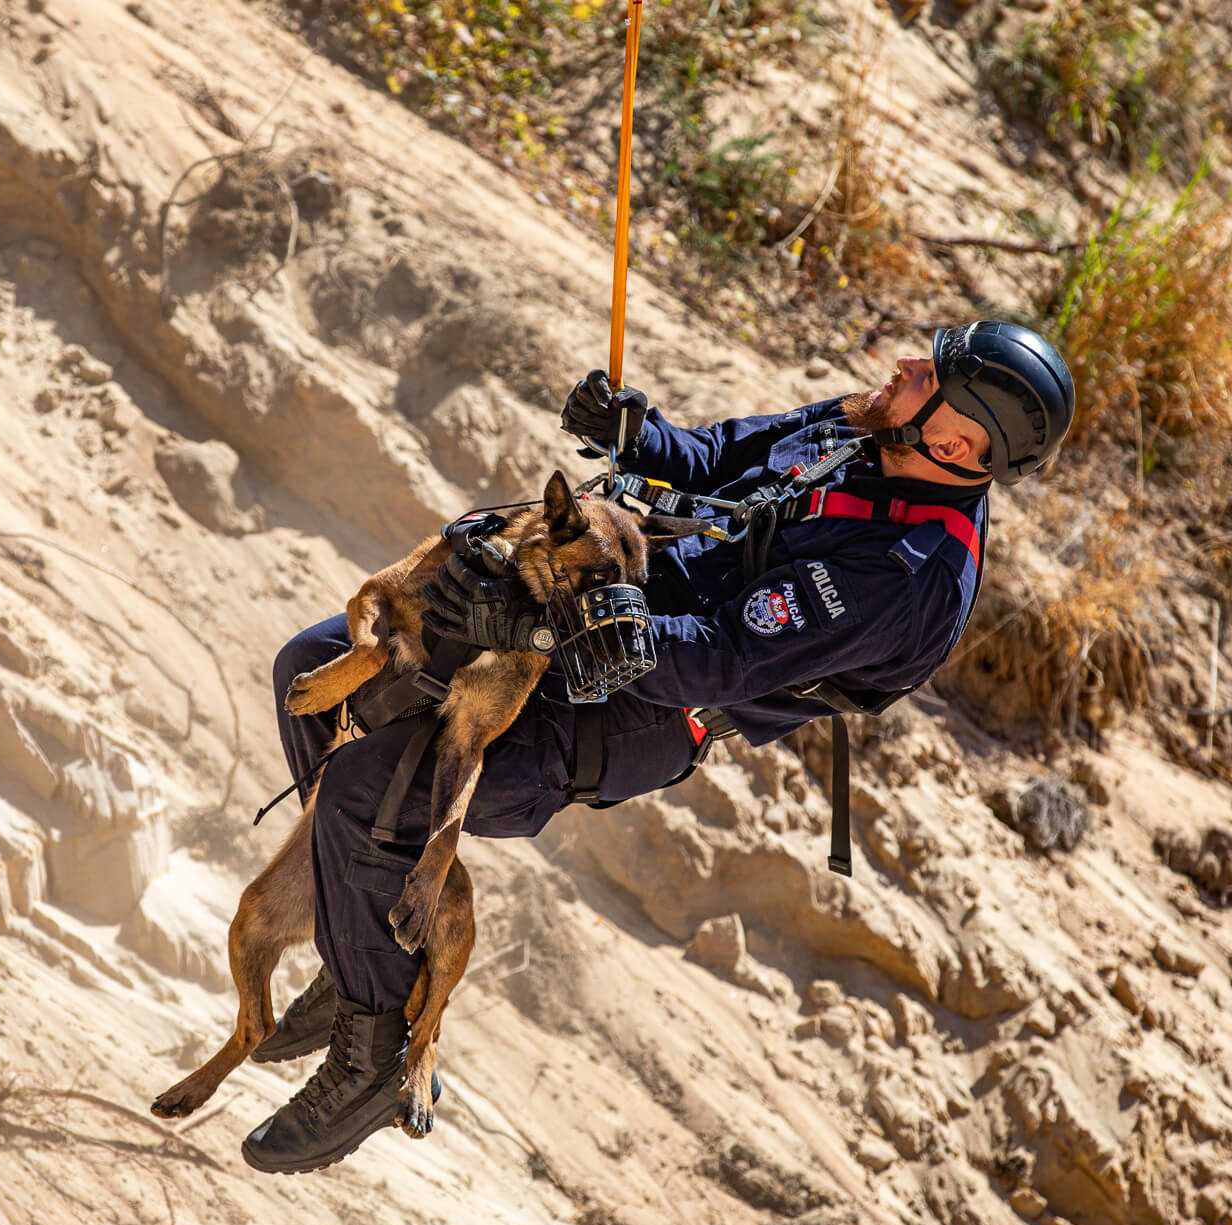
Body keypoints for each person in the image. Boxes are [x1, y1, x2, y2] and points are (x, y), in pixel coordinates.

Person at [241, 320, 1075, 1174]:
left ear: (956, 440)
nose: (904, 361)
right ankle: (365, 947)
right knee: (313, 670)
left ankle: (374, 1059)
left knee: (366, 797)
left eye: (927, 371)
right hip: (613, 607)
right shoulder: (871, 427)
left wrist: (587, 615)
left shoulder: (905, 573)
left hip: (646, 706)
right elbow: (723, 456)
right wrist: (639, 437)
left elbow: (718, 656)